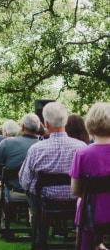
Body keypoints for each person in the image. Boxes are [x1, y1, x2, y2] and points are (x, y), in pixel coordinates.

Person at [19, 102, 86, 246]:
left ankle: (39, 238)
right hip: (76, 200)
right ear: (66, 121)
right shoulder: (82, 148)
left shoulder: (36, 149)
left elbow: (25, 181)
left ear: (46, 123)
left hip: (44, 202)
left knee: (32, 193)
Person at [0, 113, 41, 230]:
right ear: (38, 128)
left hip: (13, 193)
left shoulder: (8, 143)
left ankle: (2, 227)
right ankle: (34, 226)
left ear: (22, 127)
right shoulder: (43, 145)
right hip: (37, 193)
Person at [70, 103, 110, 250]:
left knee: (83, 202)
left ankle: (92, 244)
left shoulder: (82, 154)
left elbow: (76, 190)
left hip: (92, 215)